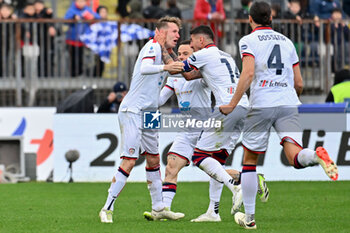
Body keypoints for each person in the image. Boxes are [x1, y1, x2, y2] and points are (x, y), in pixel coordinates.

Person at [219, 2, 338, 229]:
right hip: (288, 102)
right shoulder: (286, 41)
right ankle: (316, 155)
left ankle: (250, 218)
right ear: (271, 17)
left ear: (250, 19)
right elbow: (299, 82)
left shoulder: (248, 41)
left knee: (250, 162)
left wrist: (232, 103)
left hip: (262, 104)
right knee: (295, 155)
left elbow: (249, 72)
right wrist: (289, 98)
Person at [145, 39, 269, 222]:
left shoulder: (202, 73)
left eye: (185, 54)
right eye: (179, 54)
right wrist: (144, 99)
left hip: (206, 126)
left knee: (209, 164)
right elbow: (160, 100)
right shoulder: (174, 79)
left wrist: (165, 53)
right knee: (171, 166)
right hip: (187, 129)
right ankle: (164, 210)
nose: (181, 57)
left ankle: (245, 180)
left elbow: (190, 75)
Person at [99, 16, 185, 223]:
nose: (178, 35)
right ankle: (107, 208)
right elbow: (145, 68)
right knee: (129, 159)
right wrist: (167, 68)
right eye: (174, 31)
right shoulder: (152, 46)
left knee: (154, 158)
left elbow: (175, 69)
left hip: (150, 112)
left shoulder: (164, 52)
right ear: (161, 31)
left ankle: (158, 208)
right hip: (133, 110)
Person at [64, 0, 100, 77]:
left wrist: (92, 17)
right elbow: (65, 20)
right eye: (79, 1)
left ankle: (80, 74)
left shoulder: (87, 9)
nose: (81, 3)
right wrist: (73, 18)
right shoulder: (72, 10)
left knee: (80, 58)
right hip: (72, 39)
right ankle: (73, 75)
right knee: (72, 58)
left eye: (83, 1)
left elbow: (98, 17)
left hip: (83, 39)